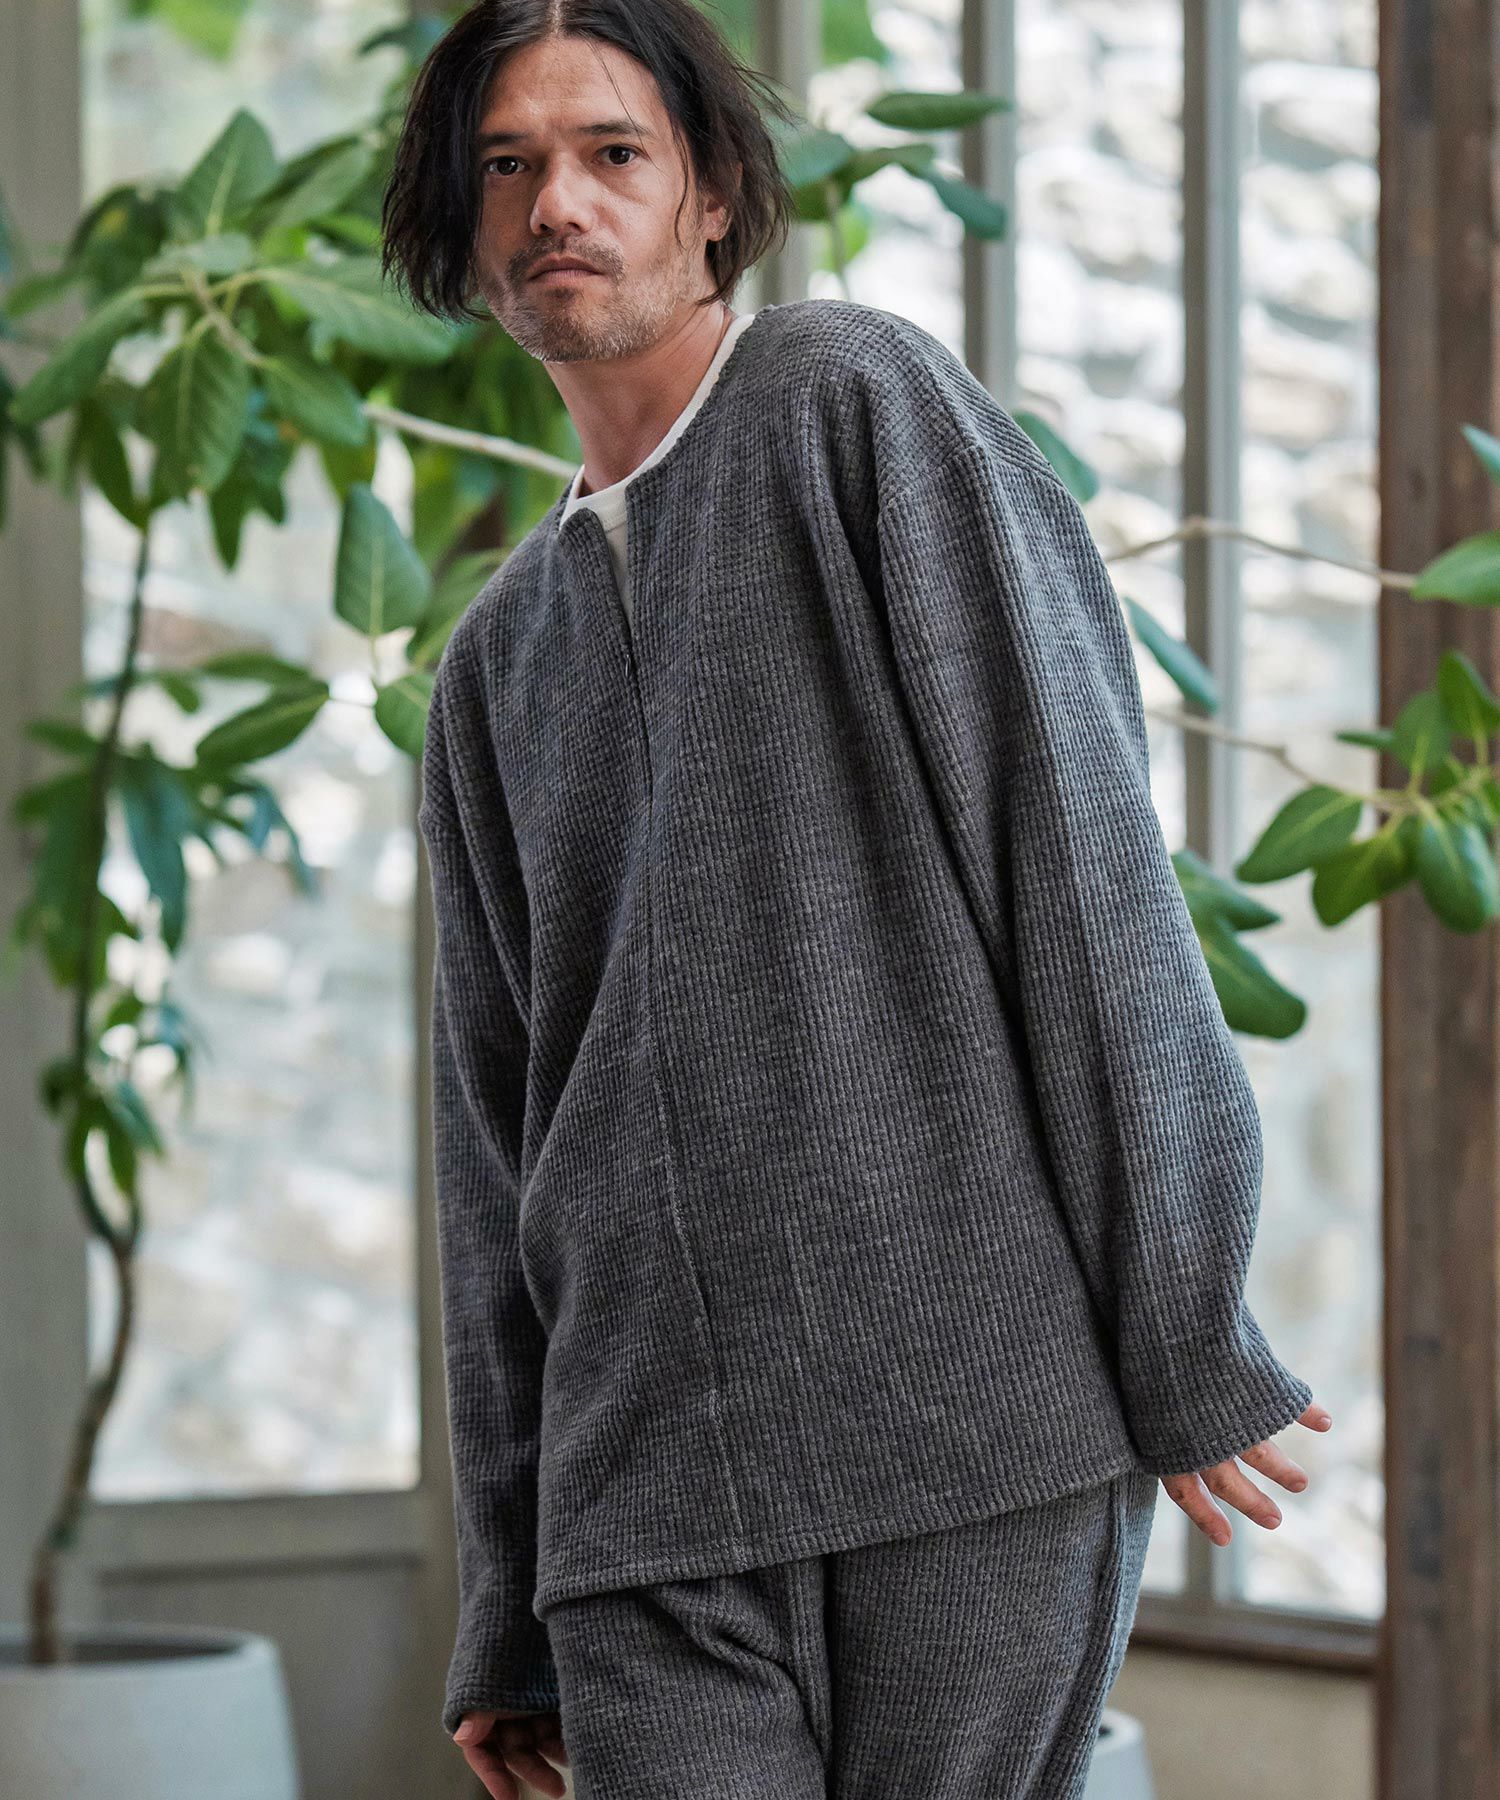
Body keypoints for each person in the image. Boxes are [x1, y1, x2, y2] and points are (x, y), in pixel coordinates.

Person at [380, 4, 1335, 1796]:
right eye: (505, 166)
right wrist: (508, 1592)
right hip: (645, 1493)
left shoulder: (849, 401)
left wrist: (1182, 1323)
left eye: (612, 153)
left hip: (970, 1434)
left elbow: (1078, 866)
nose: (556, 204)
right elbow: (493, 1151)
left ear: (713, 197)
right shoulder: (493, 666)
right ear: (462, 221)